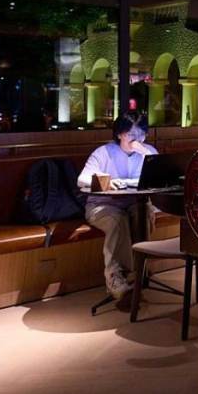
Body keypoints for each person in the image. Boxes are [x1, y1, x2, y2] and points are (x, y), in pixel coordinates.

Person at [77, 112, 157, 300]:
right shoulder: (104, 152)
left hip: (135, 203)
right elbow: (82, 179)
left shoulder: (148, 152)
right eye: (131, 134)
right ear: (120, 134)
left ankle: (140, 270)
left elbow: (160, 176)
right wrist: (105, 181)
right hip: (102, 206)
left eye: (141, 134)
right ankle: (115, 278)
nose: (137, 140)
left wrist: (148, 155)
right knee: (118, 219)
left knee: (143, 212)